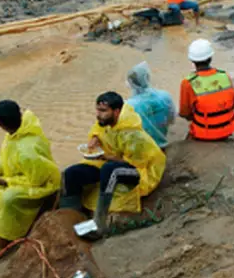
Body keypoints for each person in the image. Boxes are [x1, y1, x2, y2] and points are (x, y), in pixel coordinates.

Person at [0, 100, 60, 250]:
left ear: (0, 124)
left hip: (42, 186)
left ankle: (6, 238)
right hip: (19, 179)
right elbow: (5, 157)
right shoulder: (16, 133)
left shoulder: (28, 150)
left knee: (9, 198)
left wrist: (4, 181)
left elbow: (36, 180)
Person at [61, 92, 166, 233]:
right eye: (97, 110)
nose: (98, 114)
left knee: (111, 170)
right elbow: (98, 129)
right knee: (72, 173)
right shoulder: (106, 122)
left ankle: (100, 222)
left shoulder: (132, 134)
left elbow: (134, 163)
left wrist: (104, 156)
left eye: (103, 111)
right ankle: (69, 217)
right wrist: (95, 138)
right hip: (111, 160)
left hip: (141, 170)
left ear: (116, 112)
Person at [179, 39, 234, 140]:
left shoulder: (188, 83)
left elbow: (184, 113)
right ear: (210, 58)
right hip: (228, 129)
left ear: (192, 61)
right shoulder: (224, 76)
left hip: (204, 133)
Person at [126, 62, 174, 149]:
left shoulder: (129, 105)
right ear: (148, 77)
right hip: (162, 142)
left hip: (143, 149)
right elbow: (171, 119)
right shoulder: (165, 96)